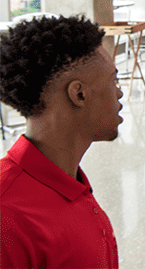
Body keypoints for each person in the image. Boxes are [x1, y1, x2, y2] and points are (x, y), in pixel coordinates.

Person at [0, 15, 122, 268]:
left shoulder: (69, 180)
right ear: (78, 94)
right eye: (113, 80)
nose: (119, 92)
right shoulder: (8, 215)